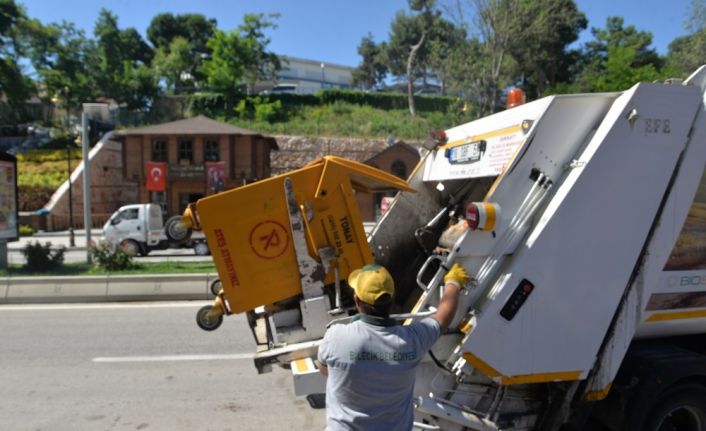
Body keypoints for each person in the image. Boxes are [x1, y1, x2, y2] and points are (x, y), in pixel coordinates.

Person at [317, 262, 469, 431]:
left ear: (357, 300)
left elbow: (324, 369)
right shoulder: (411, 341)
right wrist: (453, 283)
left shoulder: (337, 336)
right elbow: (443, 318)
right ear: (392, 299)